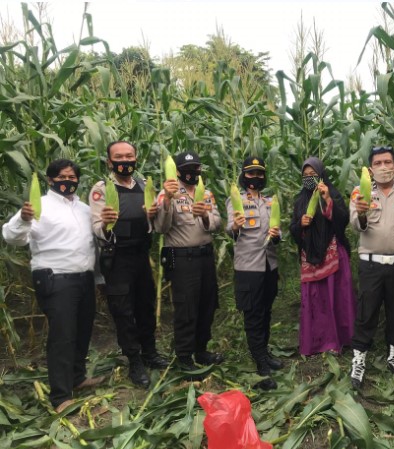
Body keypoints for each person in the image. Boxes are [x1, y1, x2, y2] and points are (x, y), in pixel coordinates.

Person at [2, 159, 105, 413]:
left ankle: (78, 378)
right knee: (63, 336)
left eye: (72, 177)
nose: (68, 181)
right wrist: (24, 219)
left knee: (82, 329)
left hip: (84, 277)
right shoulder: (40, 206)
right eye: (62, 177)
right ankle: (60, 397)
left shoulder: (82, 208)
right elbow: (12, 237)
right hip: (55, 278)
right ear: (50, 180)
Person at [89, 141, 169, 389]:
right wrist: (105, 223)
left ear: (136, 159)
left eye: (129, 156)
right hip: (118, 258)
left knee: (145, 307)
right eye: (119, 157)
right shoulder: (101, 189)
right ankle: (134, 360)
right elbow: (96, 228)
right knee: (124, 312)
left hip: (141, 257)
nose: (125, 161)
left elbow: (155, 226)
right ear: (109, 162)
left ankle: (150, 352)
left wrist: (154, 213)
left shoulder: (145, 186)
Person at [349, 146, 394, 388]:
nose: (383, 167)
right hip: (371, 265)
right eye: (378, 163)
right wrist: (362, 214)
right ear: (370, 168)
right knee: (366, 312)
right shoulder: (360, 192)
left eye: (388, 162)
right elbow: (356, 226)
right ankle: (359, 360)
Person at [154, 151, 223, 372]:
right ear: (179, 171)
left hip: (205, 256)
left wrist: (204, 215)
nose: (194, 173)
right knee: (186, 308)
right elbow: (160, 228)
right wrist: (167, 200)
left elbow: (216, 223)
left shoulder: (207, 193)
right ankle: (183, 356)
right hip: (183, 259)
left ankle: (201, 350)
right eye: (188, 169)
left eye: (197, 168)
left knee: (207, 305)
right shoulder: (168, 194)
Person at [290, 157, 356, 356]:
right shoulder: (300, 200)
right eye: (306, 176)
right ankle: (317, 343)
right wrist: (301, 224)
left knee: (336, 298)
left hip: (333, 253)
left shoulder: (331, 193)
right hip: (310, 257)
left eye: (314, 175)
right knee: (316, 301)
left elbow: (343, 220)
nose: (310, 179)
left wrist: (327, 200)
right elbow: (293, 229)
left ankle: (340, 340)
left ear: (322, 175)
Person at [226, 156, 282, 391]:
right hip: (249, 267)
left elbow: (277, 236)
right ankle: (260, 363)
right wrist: (236, 226)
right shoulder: (235, 200)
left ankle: (264, 352)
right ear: (243, 175)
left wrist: (278, 234)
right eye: (251, 174)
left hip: (269, 266)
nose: (255, 178)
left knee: (266, 312)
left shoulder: (270, 202)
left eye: (259, 174)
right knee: (254, 315)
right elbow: (230, 230)